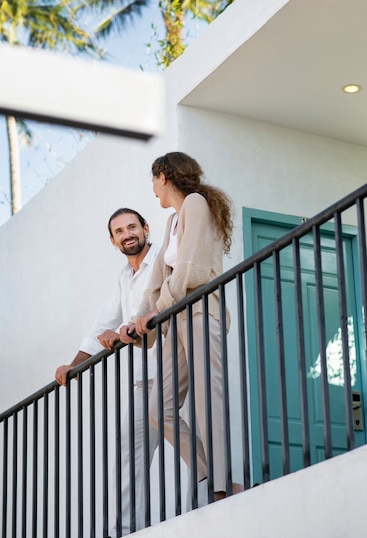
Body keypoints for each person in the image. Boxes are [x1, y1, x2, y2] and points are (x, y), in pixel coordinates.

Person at [120, 152, 241, 503]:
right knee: (160, 410)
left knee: (208, 400)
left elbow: (190, 269)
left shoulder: (196, 205)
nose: (154, 189)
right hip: (177, 321)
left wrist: (155, 311)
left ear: (163, 176)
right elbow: (156, 284)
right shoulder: (173, 222)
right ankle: (211, 474)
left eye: (153, 181)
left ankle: (221, 486)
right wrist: (136, 323)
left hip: (201, 313)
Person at [55, 208, 159, 538]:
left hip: (176, 363)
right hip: (144, 379)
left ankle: (207, 498)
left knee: (190, 430)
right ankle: (126, 529)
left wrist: (126, 329)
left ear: (145, 228)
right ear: (113, 241)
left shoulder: (161, 260)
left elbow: (166, 299)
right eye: (119, 231)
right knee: (129, 447)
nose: (128, 234)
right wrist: (73, 365)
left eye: (133, 227)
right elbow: (102, 322)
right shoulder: (123, 277)